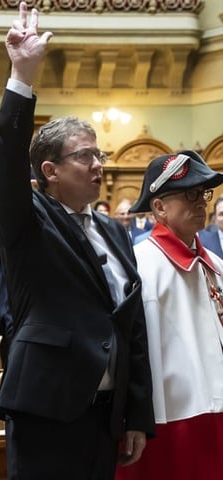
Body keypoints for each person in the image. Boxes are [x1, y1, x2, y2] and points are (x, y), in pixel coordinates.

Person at [0, 3, 155, 479]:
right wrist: (23, 74)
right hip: (48, 412)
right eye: (85, 156)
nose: (100, 164)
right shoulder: (28, 220)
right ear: (50, 171)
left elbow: (132, 327)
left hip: (106, 417)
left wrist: (136, 416)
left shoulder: (112, 229)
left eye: (99, 153)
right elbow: (7, 159)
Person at [116, 151, 223, 480]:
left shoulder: (216, 264)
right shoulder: (139, 264)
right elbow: (128, 352)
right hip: (170, 420)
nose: (201, 202)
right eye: (189, 194)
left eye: (203, 193)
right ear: (159, 207)